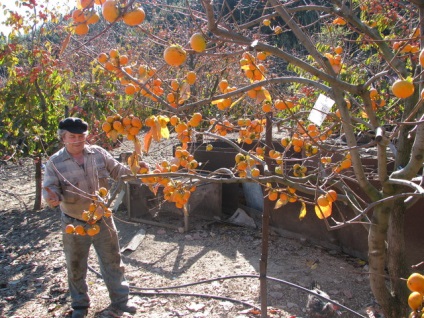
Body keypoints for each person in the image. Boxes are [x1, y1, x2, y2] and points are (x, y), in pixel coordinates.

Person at [43, 117, 137, 318]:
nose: (77, 140)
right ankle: (79, 305)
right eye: (72, 137)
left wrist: (138, 170)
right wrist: (51, 197)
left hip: (102, 218)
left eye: (81, 136)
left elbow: (120, 172)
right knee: (76, 264)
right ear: (63, 138)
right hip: (74, 222)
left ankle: (121, 301)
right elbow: (50, 189)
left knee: (112, 260)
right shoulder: (55, 162)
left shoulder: (98, 154)